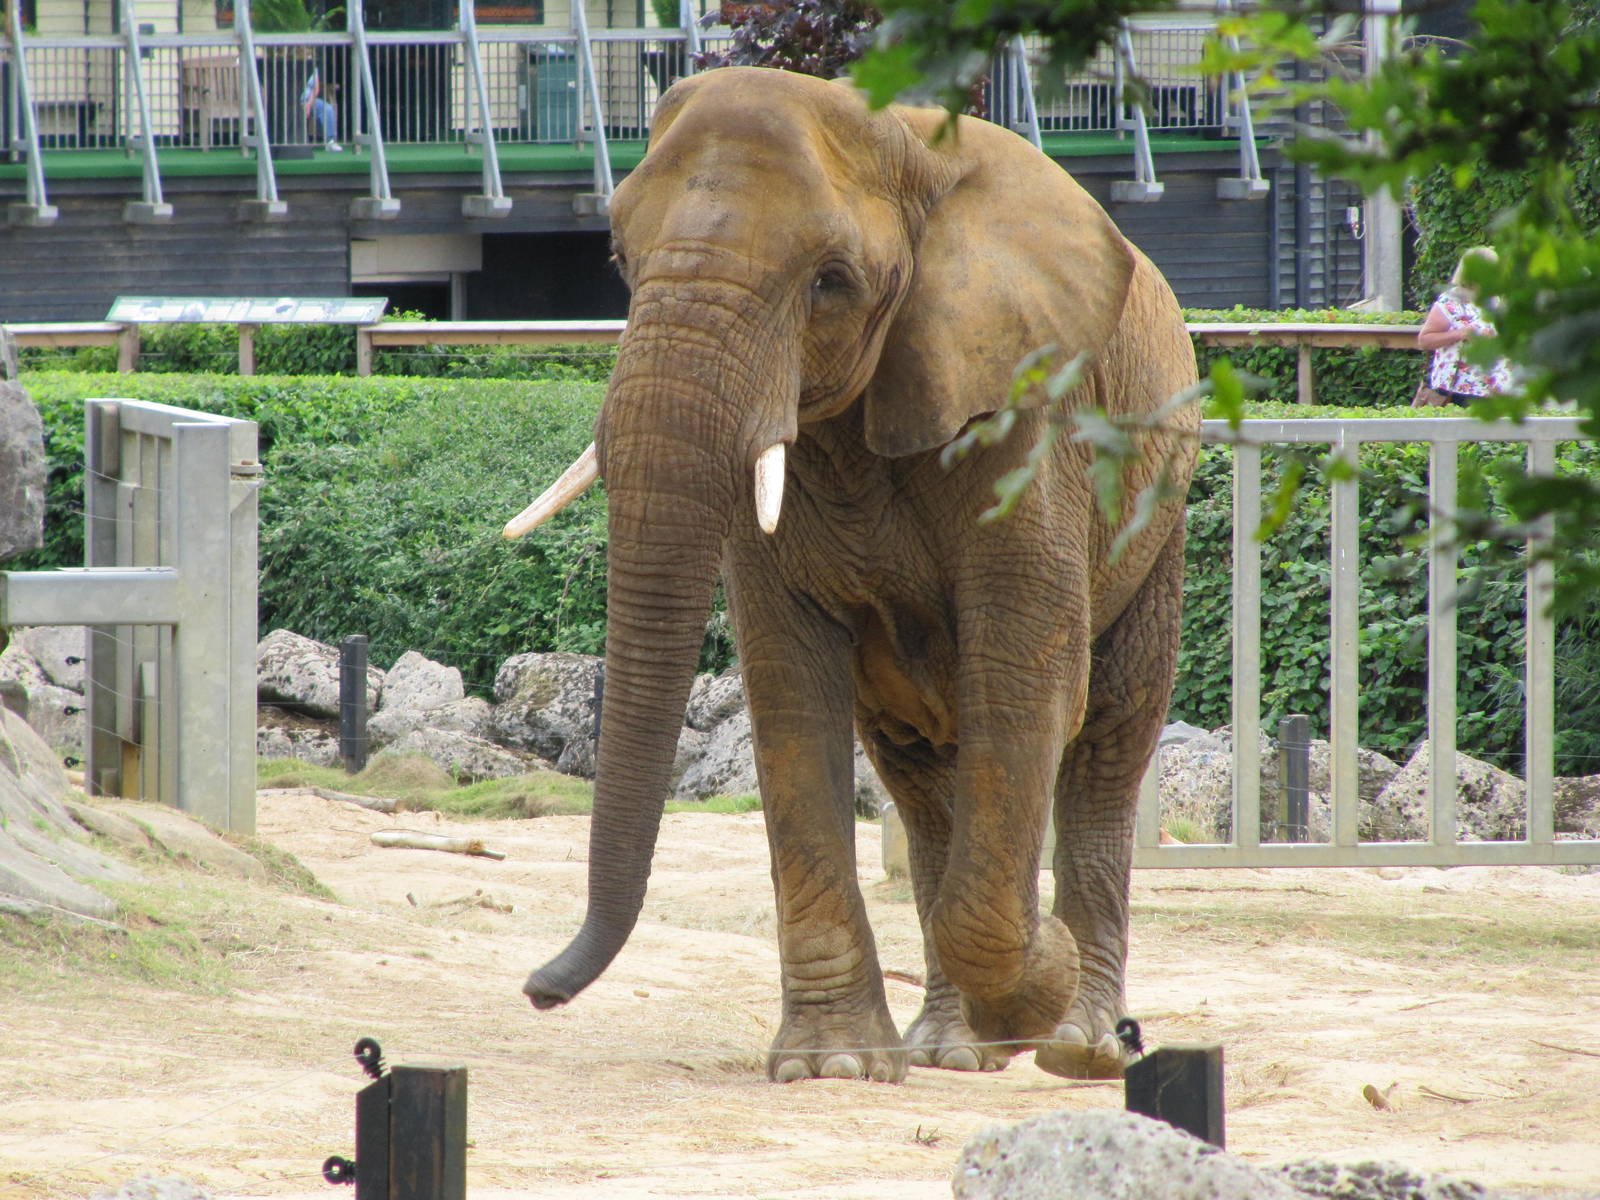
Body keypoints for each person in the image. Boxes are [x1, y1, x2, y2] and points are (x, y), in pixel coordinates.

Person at [1416, 247, 1513, 405]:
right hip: (1459, 388)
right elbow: (1424, 340)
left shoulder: (1496, 300)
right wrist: (1461, 334)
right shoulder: (1451, 301)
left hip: (1496, 387)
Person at [301, 64, 340, 152]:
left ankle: (330, 141)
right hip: (293, 98)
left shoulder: (314, 67)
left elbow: (316, 89)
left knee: (327, 109)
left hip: (307, 99)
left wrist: (309, 104)